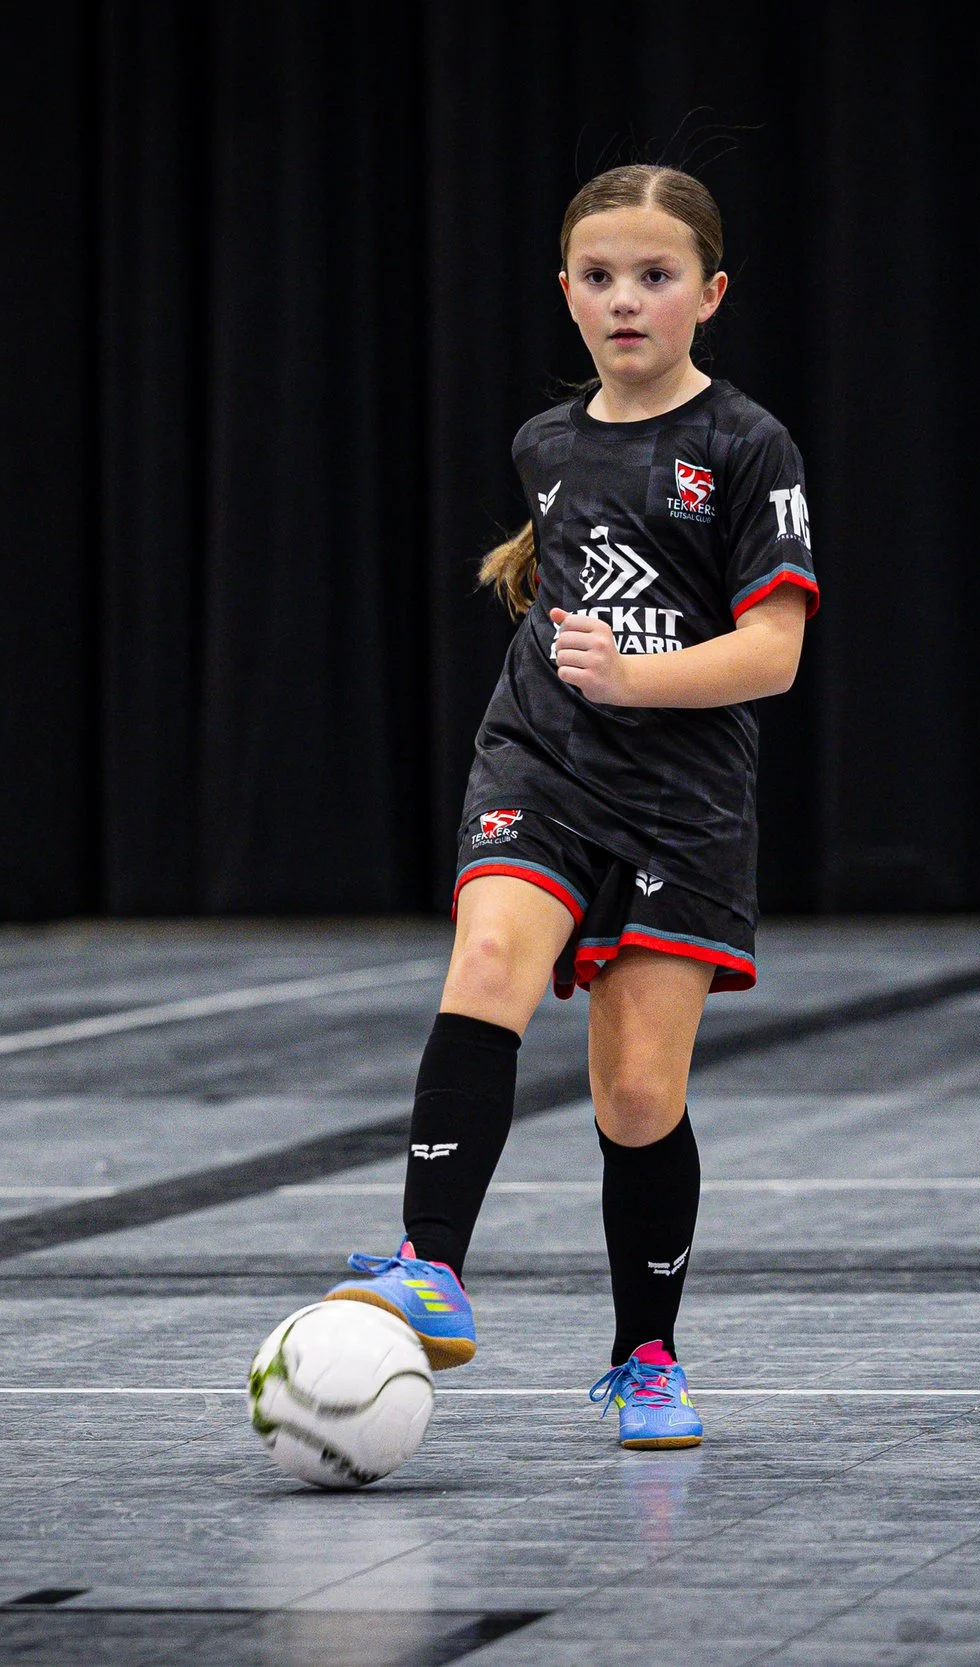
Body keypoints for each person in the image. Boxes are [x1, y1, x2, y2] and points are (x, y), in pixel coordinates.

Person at [328, 164, 817, 1450]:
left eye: (654, 276)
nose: (624, 300)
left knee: (638, 1098)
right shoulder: (545, 444)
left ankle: (645, 1356)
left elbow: (773, 653)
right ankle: (427, 1261)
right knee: (487, 953)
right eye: (598, 277)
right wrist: (577, 669)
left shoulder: (747, 444)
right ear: (565, 291)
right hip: (539, 761)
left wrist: (639, 674)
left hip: (683, 802)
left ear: (708, 294)